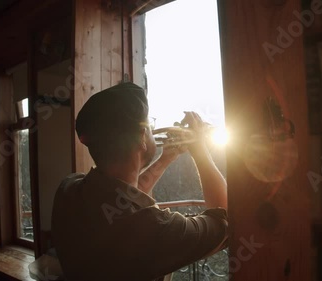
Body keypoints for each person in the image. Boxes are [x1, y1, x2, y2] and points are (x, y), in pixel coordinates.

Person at [51, 82, 228, 281]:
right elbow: (228, 218)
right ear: (142, 137)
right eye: (149, 126)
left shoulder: (68, 188)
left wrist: (165, 159)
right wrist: (201, 151)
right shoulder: (155, 227)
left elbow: (123, 200)